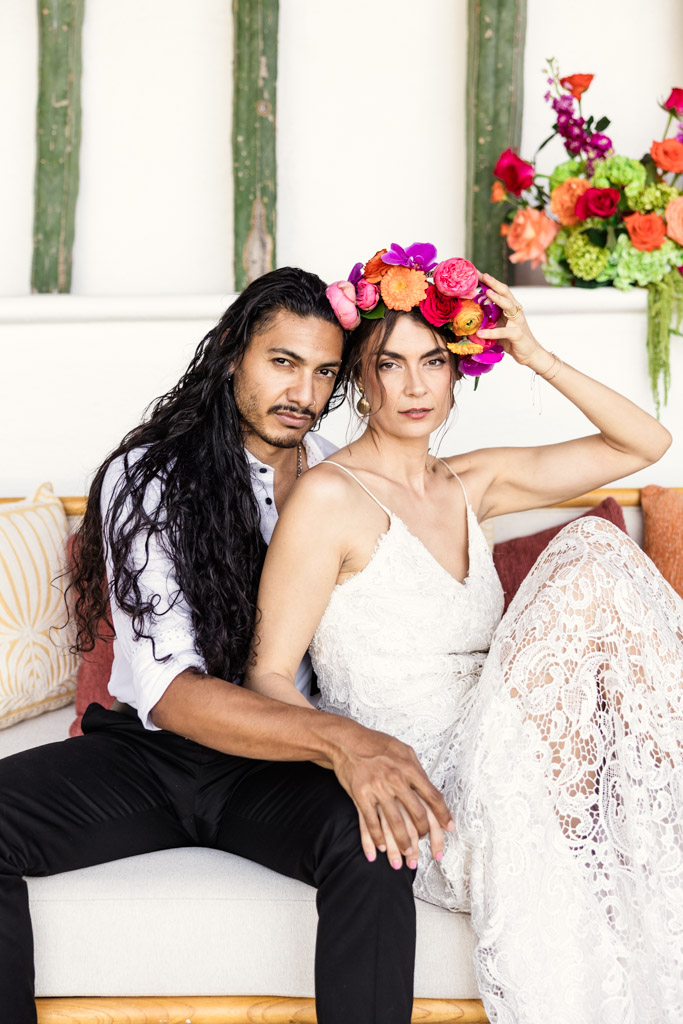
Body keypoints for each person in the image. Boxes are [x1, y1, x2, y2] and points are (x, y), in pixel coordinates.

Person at [0, 267, 454, 1024]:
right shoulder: (148, 475)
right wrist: (346, 742)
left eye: (323, 372)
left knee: (379, 844)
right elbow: (171, 694)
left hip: (275, 765)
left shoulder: (343, 474)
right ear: (231, 353)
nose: (303, 394)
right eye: (282, 362)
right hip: (151, 755)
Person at [245, 249, 683, 1023]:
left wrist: (533, 352)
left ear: (459, 373)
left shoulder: (469, 482)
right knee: (590, 556)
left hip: (515, 746)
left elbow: (643, 444)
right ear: (360, 378)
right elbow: (269, 676)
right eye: (390, 364)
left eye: (434, 362)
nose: (415, 385)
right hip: (430, 780)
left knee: (600, 555)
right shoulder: (327, 497)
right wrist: (351, 755)